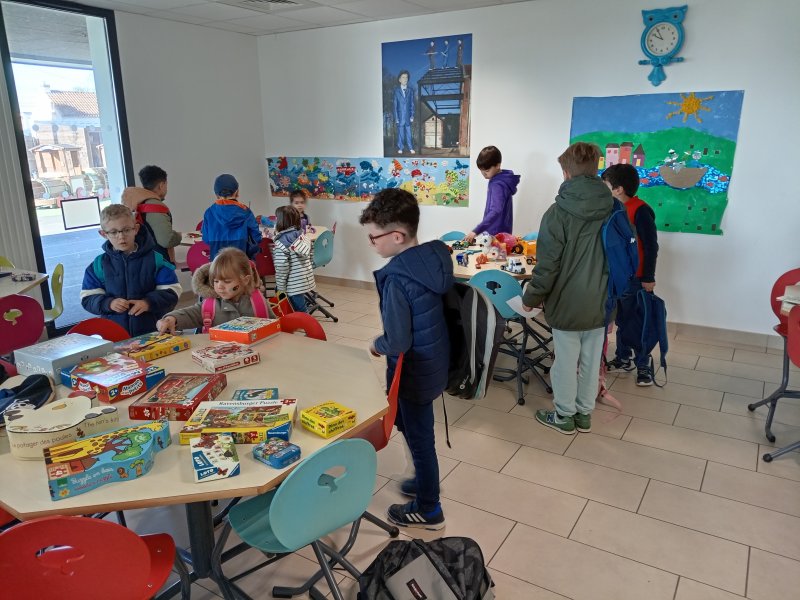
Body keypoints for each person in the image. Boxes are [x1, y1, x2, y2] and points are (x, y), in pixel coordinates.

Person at [359, 188, 454, 530]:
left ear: (397, 236)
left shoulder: (397, 278)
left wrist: (376, 345)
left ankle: (429, 509)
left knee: (420, 439)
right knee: (416, 428)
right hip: (434, 361)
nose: (372, 244)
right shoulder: (433, 257)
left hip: (413, 371)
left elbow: (398, 340)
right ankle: (422, 481)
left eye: (374, 238)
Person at [521, 142, 613, 435]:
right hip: (602, 301)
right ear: (595, 170)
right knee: (591, 361)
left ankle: (564, 416)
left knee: (564, 362)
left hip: (567, 302)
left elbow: (548, 266)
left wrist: (532, 297)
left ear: (566, 173)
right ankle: (584, 415)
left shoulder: (557, 213)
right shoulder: (615, 208)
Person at [81, 204, 181, 337]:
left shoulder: (156, 260)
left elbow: (172, 291)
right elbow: (88, 298)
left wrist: (148, 303)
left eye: (126, 230)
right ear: (103, 234)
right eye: (114, 232)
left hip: (152, 333)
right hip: (115, 335)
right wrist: (108, 303)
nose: (121, 237)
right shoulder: (98, 265)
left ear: (136, 229)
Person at [602, 163, 660, 386]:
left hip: (637, 278)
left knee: (638, 322)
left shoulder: (640, 210)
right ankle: (623, 358)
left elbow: (651, 246)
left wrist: (648, 277)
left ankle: (643, 364)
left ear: (618, 189)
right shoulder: (612, 209)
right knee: (622, 320)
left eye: (606, 185)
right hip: (618, 278)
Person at [157, 247, 271, 333]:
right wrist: (171, 319)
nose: (219, 286)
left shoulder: (259, 303)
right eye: (216, 281)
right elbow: (190, 314)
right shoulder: (209, 306)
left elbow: (275, 329)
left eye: (227, 281)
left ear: (245, 280)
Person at [121, 165, 182, 261]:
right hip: (158, 261)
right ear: (161, 185)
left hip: (141, 257)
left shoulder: (136, 203)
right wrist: (179, 236)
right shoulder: (155, 206)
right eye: (166, 184)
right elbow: (166, 240)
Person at [464, 146, 520, 243]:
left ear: (498, 165)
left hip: (495, 234)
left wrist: (476, 231)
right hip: (503, 232)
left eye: (486, 171)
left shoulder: (497, 184)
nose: (484, 174)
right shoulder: (504, 179)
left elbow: (495, 210)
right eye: (481, 171)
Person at [201, 173, 262, 260]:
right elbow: (256, 237)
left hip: (218, 262)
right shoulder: (245, 211)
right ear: (236, 191)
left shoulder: (209, 212)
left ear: (216, 193)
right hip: (241, 260)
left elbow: (206, 239)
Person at [271, 206, 315, 313]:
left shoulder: (281, 243)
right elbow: (311, 254)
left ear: (281, 221)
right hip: (305, 280)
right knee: (301, 308)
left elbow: (281, 268)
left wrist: (281, 288)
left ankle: (306, 323)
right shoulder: (302, 235)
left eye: (276, 218)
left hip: (292, 285)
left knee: (300, 312)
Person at [393, 70, 416, 155]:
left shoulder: (410, 91)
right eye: (403, 77)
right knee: (401, 133)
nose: (405, 79)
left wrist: (412, 115)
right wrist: (396, 117)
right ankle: (400, 148)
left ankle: (411, 148)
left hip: (408, 116)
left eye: (406, 77)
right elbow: (395, 105)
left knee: (409, 133)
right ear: (399, 80)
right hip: (400, 116)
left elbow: (412, 104)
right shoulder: (396, 91)